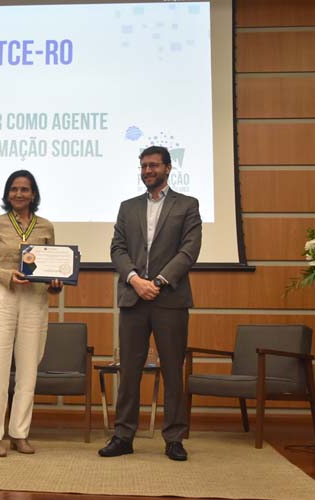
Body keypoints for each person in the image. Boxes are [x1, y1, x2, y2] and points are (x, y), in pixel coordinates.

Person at [98, 145, 202, 461]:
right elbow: (117, 249)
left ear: (168, 168)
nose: (147, 171)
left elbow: (189, 251)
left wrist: (156, 282)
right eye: (143, 166)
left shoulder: (187, 205)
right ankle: (123, 435)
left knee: (172, 370)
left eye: (153, 166)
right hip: (133, 297)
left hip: (169, 298)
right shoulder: (127, 207)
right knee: (128, 371)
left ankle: (173, 439)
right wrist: (135, 280)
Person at [0, 170, 63, 457]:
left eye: (24, 189)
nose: (18, 194)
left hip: (35, 300)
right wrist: (5, 275)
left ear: (34, 194)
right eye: (13, 189)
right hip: (2, 296)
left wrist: (55, 283)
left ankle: (19, 434)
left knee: (28, 371)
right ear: (7, 193)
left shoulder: (46, 227)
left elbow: (54, 269)